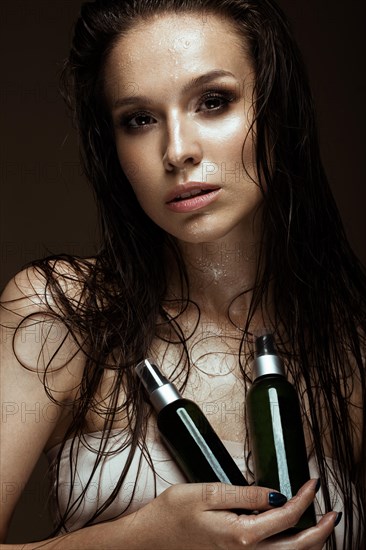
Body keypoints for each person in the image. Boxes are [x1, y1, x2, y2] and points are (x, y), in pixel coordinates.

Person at [1, 0, 365, 548]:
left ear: (278, 107)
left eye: (213, 102)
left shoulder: (348, 343)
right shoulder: (59, 313)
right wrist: (142, 539)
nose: (177, 151)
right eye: (139, 119)